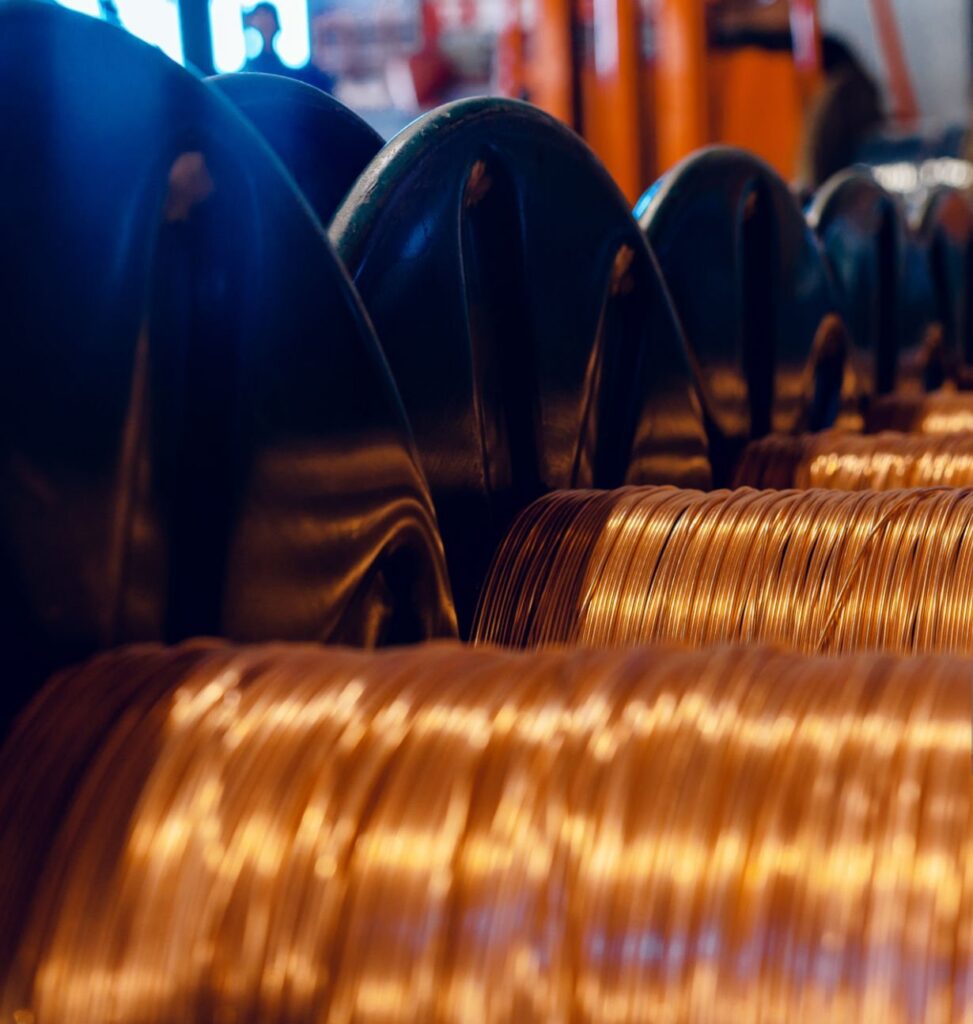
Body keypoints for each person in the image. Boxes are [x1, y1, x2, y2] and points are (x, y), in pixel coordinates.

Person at [243, 2, 288, 75]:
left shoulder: (286, 62)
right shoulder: (246, 63)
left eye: (267, 16)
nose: (263, 22)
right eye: (259, 16)